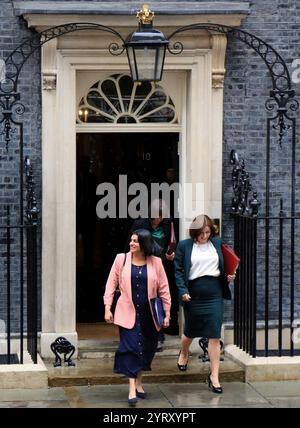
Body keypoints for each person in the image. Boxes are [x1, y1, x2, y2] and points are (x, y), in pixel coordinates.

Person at [104, 229, 171, 405]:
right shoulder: (121, 259)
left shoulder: (156, 262)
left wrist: (167, 313)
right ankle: (132, 387)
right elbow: (111, 284)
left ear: (144, 244)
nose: (131, 243)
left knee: (146, 349)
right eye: (131, 240)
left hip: (149, 315)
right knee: (131, 347)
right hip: (127, 312)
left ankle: (139, 381)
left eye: (136, 241)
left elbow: (164, 289)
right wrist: (107, 308)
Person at [174, 214, 235, 394]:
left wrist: (229, 276)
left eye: (207, 232)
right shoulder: (184, 246)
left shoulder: (217, 243)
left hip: (214, 293)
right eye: (201, 232)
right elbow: (178, 270)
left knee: (214, 334)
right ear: (195, 232)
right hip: (193, 294)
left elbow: (225, 266)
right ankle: (184, 353)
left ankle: (214, 376)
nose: (205, 236)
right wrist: (182, 290)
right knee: (190, 331)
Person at [126, 199, 179, 351]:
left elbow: (173, 242)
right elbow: (130, 245)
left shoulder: (169, 223)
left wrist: (171, 254)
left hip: (162, 267)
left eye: (162, 216)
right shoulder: (140, 224)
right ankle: (139, 335)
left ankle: (158, 335)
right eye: (156, 216)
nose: (159, 219)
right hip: (143, 265)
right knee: (142, 301)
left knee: (159, 301)